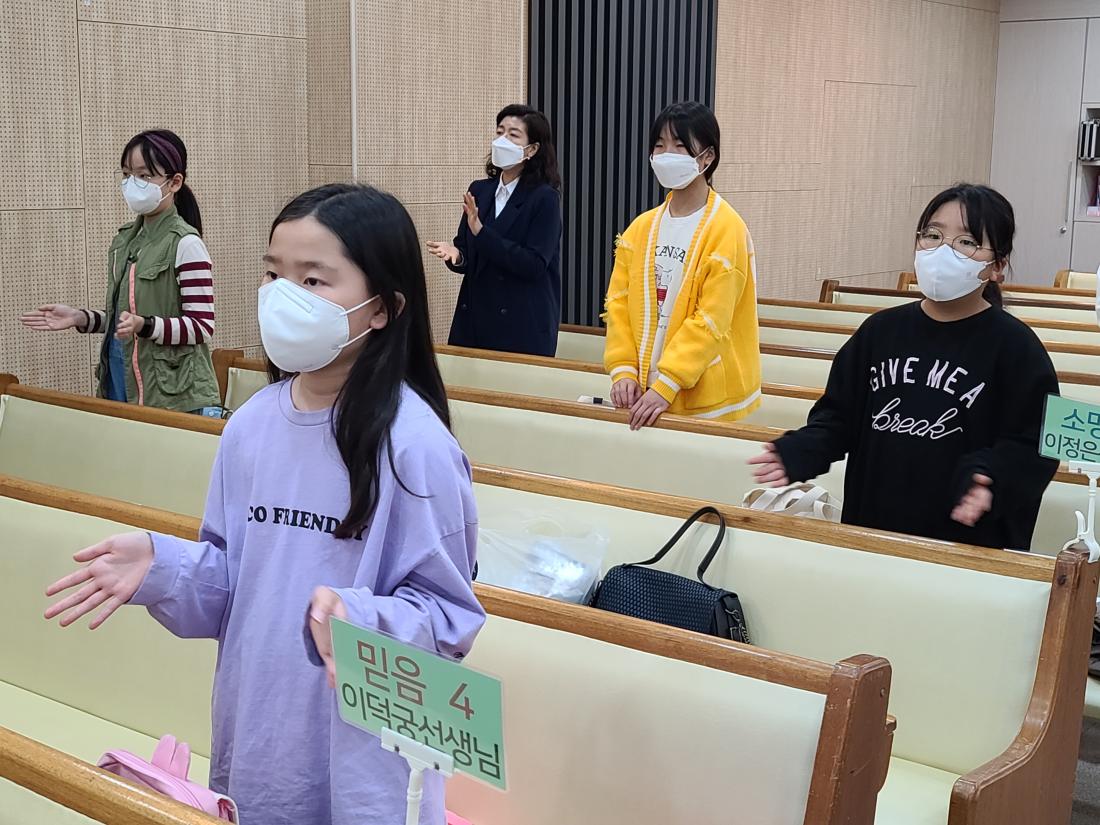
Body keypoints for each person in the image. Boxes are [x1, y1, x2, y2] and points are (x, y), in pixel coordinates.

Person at [43, 184, 485, 825]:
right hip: (258, 733)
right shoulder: (250, 426)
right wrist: (164, 566)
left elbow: (449, 619)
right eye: (274, 275)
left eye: (313, 280)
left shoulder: (416, 447)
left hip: (367, 765)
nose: (282, 296)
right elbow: (234, 583)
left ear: (383, 308)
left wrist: (361, 620)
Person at [749, 184, 1059, 551]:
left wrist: (992, 477)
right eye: (933, 235)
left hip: (966, 547)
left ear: (997, 266)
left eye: (966, 242)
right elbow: (838, 418)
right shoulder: (879, 332)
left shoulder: (1017, 348)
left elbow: (1036, 444)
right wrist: (802, 449)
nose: (943, 250)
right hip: (873, 532)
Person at [20, 129, 220, 415]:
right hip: (120, 379)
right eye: (127, 174)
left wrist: (145, 325)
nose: (132, 184)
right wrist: (80, 318)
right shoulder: (125, 241)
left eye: (144, 175)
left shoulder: (186, 243)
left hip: (173, 396)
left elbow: (201, 327)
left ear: (175, 182)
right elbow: (126, 319)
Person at [603, 101, 761, 430]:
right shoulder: (641, 228)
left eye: (679, 146)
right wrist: (623, 370)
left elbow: (712, 319)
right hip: (643, 394)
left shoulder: (727, 228)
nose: (666, 155)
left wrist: (668, 382)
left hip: (705, 399)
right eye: (659, 145)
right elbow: (618, 304)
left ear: (707, 157)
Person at [427, 104, 562, 357]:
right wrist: (457, 255)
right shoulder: (480, 190)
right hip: (474, 320)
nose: (502, 140)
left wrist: (481, 233)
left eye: (513, 134)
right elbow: (468, 252)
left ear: (532, 149)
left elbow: (533, 264)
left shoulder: (544, 198)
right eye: (500, 132)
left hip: (521, 326)